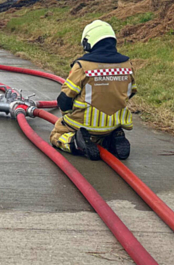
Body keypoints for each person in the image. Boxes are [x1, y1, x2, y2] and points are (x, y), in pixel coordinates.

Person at [49, 20, 136, 160]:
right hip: (113, 123)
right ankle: (112, 140)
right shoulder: (127, 65)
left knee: (56, 135)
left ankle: (76, 143)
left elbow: (65, 99)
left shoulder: (83, 66)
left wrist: (67, 114)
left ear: (89, 41)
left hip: (83, 124)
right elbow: (131, 92)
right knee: (102, 137)